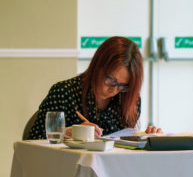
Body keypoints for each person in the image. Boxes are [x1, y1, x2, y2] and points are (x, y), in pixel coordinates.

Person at [28, 36, 162, 139]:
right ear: (98, 66)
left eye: (122, 86)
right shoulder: (64, 92)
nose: (114, 90)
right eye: (111, 80)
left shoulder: (129, 100)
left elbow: (123, 145)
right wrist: (66, 133)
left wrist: (145, 137)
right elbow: (33, 140)